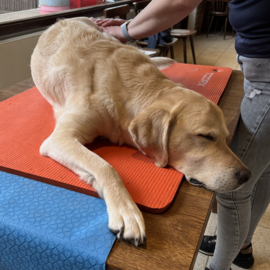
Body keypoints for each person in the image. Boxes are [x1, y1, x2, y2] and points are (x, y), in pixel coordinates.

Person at [92, 0, 270, 269]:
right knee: (262, 172)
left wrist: (126, 30)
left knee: (235, 192)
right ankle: (241, 246)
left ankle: (218, 266)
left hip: (266, 79)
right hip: (258, 71)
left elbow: (178, 1)